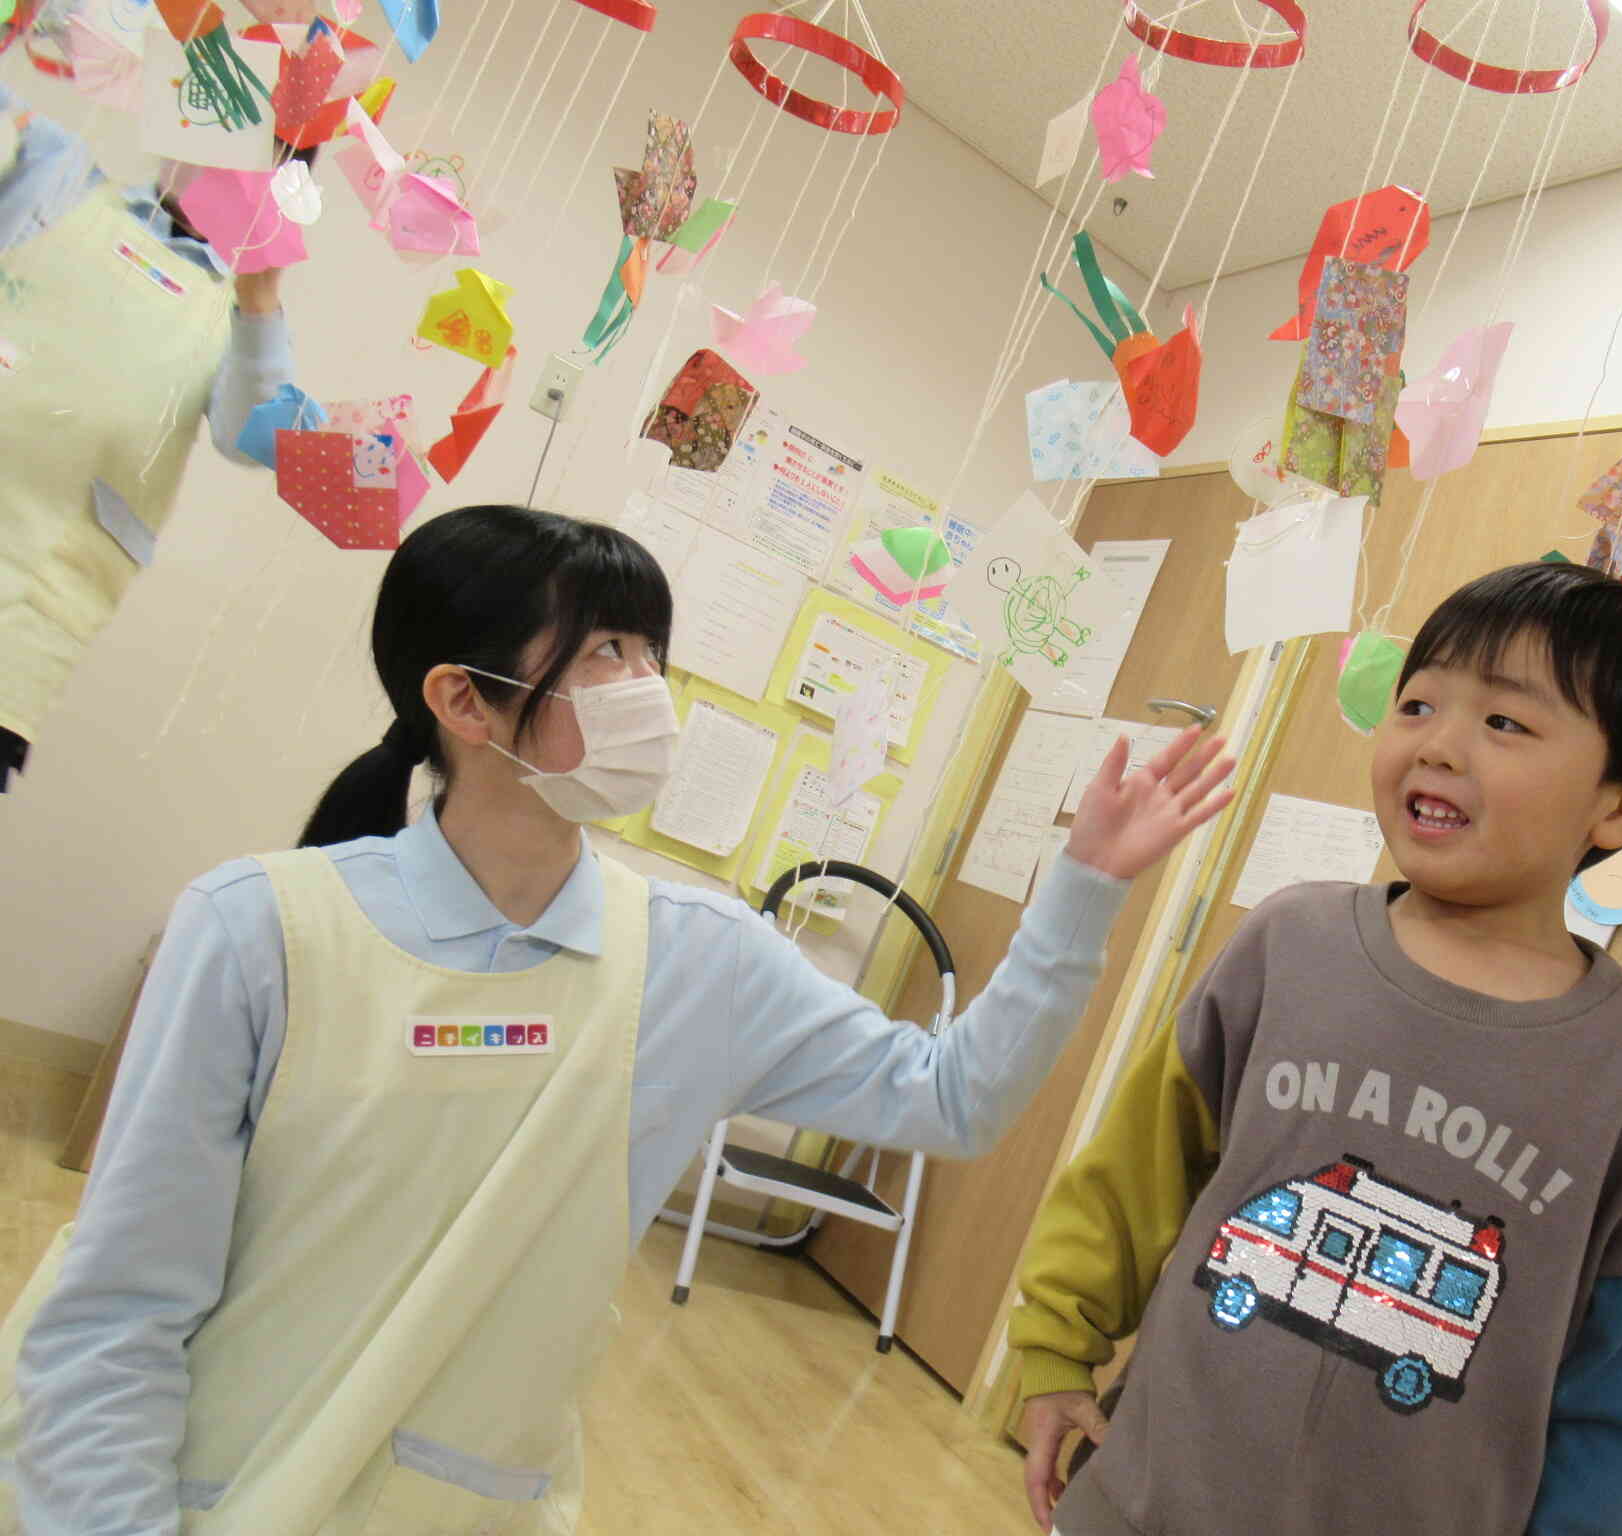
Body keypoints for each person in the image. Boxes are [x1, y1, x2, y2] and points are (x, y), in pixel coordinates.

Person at [0, 503, 1237, 1533]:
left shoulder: (696, 959)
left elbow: (951, 1099)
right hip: (211, 1497)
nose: (648, 689)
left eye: (650, 652)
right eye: (603, 654)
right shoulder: (258, 931)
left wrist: (1079, 897)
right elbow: (116, 1312)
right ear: (465, 702)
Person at [1008, 560, 1622, 1536]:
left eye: (1502, 722)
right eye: (1417, 704)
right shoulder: (1289, 943)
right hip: (1145, 1501)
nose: (1436, 745)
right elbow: (1134, 1172)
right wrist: (1051, 1348)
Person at [0, 37, 304, 793]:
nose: (215, 155)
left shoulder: (244, 318)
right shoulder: (58, 172)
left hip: (27, 613)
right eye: (207, 117)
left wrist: (262, 293)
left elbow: (257, 439)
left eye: (246, 141)